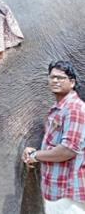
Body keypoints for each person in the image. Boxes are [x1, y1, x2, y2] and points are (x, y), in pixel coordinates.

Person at [23, 61, 85, 213]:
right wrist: (36, 152)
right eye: (52, 77)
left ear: (72, 82)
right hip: (55, 189)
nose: (55, 81)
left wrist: (35, 155)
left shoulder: (74, 109)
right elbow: (55, 144)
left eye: (60, 78)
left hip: (69, 191)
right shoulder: (58, 108)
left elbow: (67, 150)